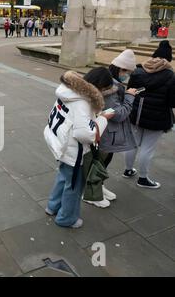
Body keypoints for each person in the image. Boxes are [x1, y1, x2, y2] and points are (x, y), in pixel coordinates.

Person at [44, 70, 113, 228]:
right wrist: (103, 119)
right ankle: (66, 218)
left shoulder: (69, 91)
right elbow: (85, 135)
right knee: (74, 186)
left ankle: (52, 206)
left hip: (60, 145)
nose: (103, 93)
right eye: (104, 89)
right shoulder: (82, 102)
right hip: (73, 152)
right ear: (99, 86)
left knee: (63, 177)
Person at [83, 64, 137, 208]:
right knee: (98, 163)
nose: (127, 75)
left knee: (100, 163)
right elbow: (119, 115)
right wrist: (130, 97)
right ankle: (91, 193)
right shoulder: (107, 92)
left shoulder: (94, 88)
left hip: (101, 131)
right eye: (126, 71)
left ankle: (98, 187)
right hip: (102, 133)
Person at [124, 40, 175, 189]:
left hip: (136, 114)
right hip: (157, 118)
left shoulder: (138, 71)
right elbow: (172, 102)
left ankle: (128, 170)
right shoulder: (170, 76)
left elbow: (130, 92)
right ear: (168, 59)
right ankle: (143, 178)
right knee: (148, 148)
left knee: (133, 143)